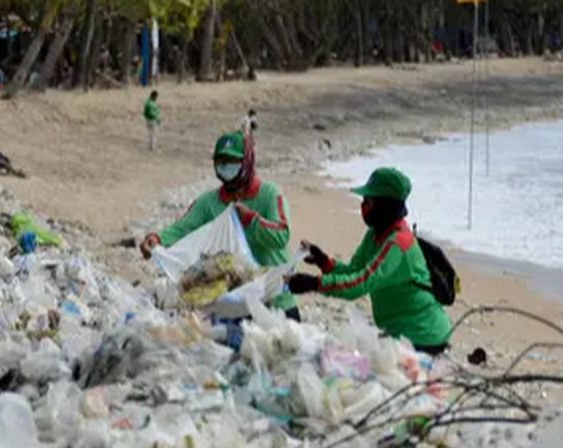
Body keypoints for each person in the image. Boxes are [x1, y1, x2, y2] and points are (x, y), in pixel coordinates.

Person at [287, 167, 452, 354]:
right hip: (400, 332)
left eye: (369, 201)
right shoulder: (374, 235)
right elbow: (355, 271)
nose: (363, 206)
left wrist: (314, 284)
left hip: (423, 335)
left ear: (386, 206)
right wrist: (325, 262)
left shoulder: (398, 244)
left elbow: (361, 283)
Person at [140, 131, 298, 320]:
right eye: (221, 161)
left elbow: (282, 236)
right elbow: (183, 228)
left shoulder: (269, 194)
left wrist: (252, 220)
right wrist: (157, 240)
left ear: (247, 162)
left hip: (276, 298)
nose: (225, 167)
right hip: (236, 303)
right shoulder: (209, 202)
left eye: (232, 161)